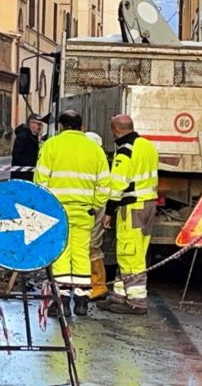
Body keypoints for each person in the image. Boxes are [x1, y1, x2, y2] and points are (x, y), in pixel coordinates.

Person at [34, 110, 110, 317]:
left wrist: (45, 207)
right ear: (81, 126)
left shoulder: (51, 145)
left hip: (58, 211)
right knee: (82, 254)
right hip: (85, 212)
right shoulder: (94, 149)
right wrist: (96, 206)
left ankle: (62, 303)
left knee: (61, 254)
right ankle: (82, 301)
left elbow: (41, 181)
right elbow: (105, 184)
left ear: (61, 126)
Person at [97, 114, 159, 315]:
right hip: (149, 204)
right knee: (135, 252)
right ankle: (119, 296)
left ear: (115, 130)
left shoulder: (125, 149)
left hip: (132, 207)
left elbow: (118, 184)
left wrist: (109, 211)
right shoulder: (147, 146)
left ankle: (136, 301)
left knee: (129, 253)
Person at [85, 131, 110, 301]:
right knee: (88, 247)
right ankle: (92, 284)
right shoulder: (97, 160)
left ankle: (98, 285)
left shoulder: (96, 161)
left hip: (93, 208)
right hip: (90, 208)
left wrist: (95, 208)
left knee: (92, 246)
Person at [11, 113, 45, 181]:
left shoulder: (34, 136)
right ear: (31, 123)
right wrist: (33, 163)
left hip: (30, 175)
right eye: (38, 124)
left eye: (41, 124)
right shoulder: (23, 136)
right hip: (22, 176)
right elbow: (17, 156)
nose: (40, 127)